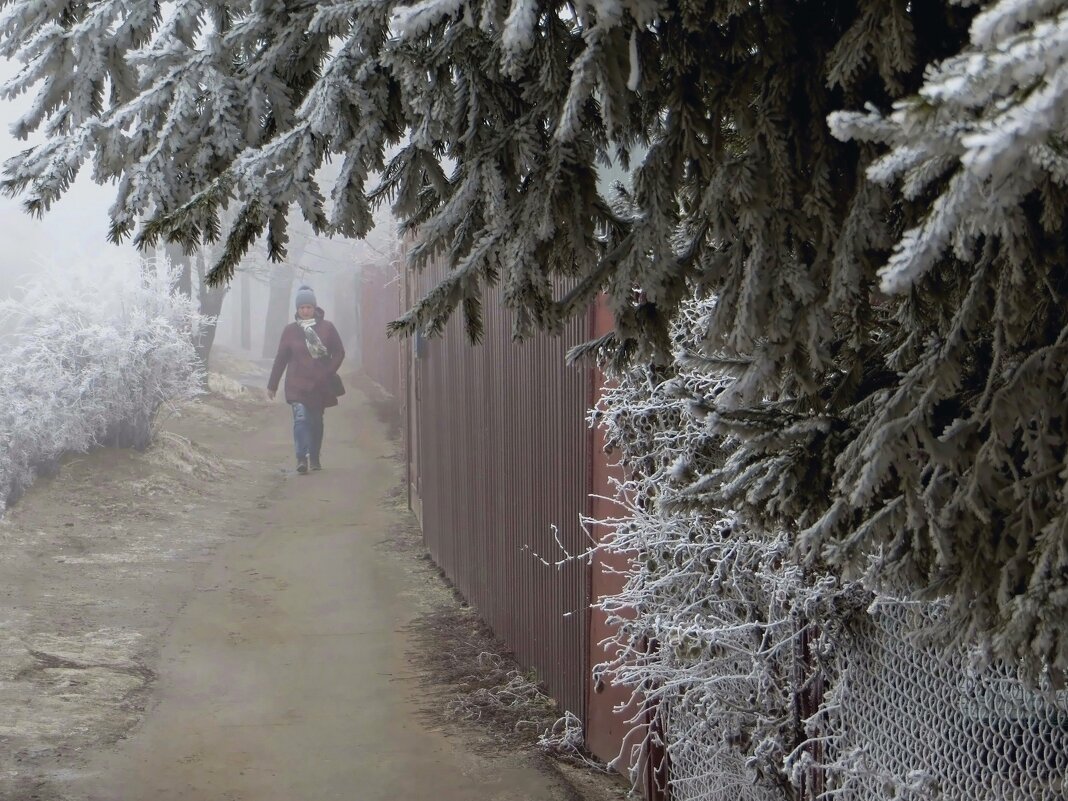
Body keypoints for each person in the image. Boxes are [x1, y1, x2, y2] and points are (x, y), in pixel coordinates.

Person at [267, 285, 345, 474]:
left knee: (316, 422)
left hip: (319, 385)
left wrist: (328, 372)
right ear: (297, 309)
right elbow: (281, 359)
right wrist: (272, 384)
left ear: (314, 307)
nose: (305, 310)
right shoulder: (290, 331)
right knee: (301, 420)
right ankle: (301, 458)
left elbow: (339, 352)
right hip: (296, 385)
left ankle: (315, 457)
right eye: (302, 307)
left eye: (309, 307)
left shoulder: (327, 328)